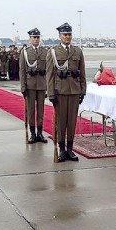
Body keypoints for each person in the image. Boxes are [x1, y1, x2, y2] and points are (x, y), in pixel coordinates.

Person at [46, 22, 86, 162]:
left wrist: (83, 91)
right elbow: (50, 75)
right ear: (59, 36)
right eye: (65, 35)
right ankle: (61, 149)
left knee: (72, 122)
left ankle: (70, 149)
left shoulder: (78, 51)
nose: (67, 37)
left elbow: (82, 74)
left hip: (74, 91)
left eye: (69, 34)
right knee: (61, 123)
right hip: (60, 91)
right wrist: (51, 93)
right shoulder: (53, 52)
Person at [20, 28, 49, 144]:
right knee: (31, 111)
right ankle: (32, 133)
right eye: (34, 37)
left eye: (37, 37)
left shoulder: (45, 52)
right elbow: (22, 71)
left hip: (41, 84)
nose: (36, 39)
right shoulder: (25, 52)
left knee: (41, 111)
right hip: (30, 85)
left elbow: (48, 70)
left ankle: (40, 133)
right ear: (30, 39)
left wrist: (48, 86)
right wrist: (23, 87)